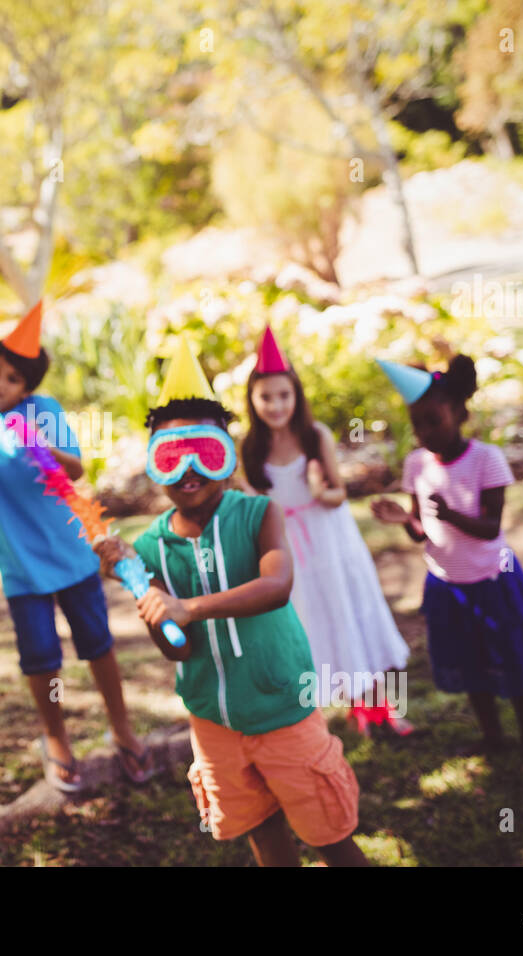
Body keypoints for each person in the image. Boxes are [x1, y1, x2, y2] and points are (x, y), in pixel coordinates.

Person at [96, 339, 368, 866]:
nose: (189, 468)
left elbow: (277, 586)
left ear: (227, 454)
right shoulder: (150, 546)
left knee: (328, 834)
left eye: (206, 450)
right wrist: (144, 593)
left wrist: (189, 608)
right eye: (171, 456)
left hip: (283, 709)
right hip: (213, 721)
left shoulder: (259, 513)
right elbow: (176, 649)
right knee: (262, 832)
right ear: (154, 465)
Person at [0, 302, 152, 792]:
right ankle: (55, 738)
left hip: (74, 555)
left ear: (26, 388)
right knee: (41, 659)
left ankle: (121, 727)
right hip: (23, 569)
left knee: (98, 646)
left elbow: (74, 469)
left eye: (11, 378)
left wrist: (39, 445)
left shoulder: (45, 410)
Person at [371, 355, 523, 763]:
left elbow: (491, 527)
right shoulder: (416, 464)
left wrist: (449, 513)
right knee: (473, 665)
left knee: (513, 660)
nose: (424, 432)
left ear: (458, 412)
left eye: (433, 420)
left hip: (492, 579)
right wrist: (404, 519)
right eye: (416, 424)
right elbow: (421, 530)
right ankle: (492, 736)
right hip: (447, 583)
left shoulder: (485, 458)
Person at [240, 326, 411, 736]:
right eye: (266, 397)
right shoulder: (251, 448)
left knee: (348, 609)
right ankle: (347, 703)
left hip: (330, 540)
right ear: (252, 400)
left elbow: (337, 494)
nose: (276, 405)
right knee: (313, 617)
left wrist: (320, 489)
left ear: (296, 396)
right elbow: (256, 506)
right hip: (289, 547)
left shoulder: (315, 437)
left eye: (284, 395)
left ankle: (382, 704)